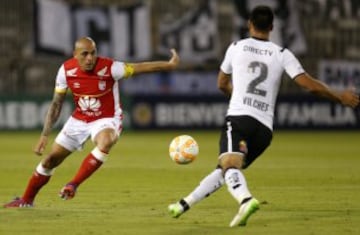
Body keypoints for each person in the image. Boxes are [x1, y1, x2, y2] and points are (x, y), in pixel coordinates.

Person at [168, 5, 359, 227]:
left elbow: (221, 83)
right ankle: (183, 205)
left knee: (229, 165)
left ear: (249, 24)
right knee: (227, 169)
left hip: (239, 119)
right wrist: (339, 97)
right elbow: (309, 85)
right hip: (264, 131)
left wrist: (237, 94)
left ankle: (246, 200)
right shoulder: (282, 54)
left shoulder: (236, 47)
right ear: (272, 27)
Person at [4, 37, 179, 208]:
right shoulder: (65, 70)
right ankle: (26, 200)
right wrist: (44, 135)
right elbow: (56, 103)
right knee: (50, 160)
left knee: (106, 141)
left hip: (106, 118)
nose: (89, 58)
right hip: (79, 119)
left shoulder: (111, 67)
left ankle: (73, 185)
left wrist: (169, 65)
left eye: (93, 53)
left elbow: (140, 67)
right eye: (84, 54)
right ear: (75, 54)